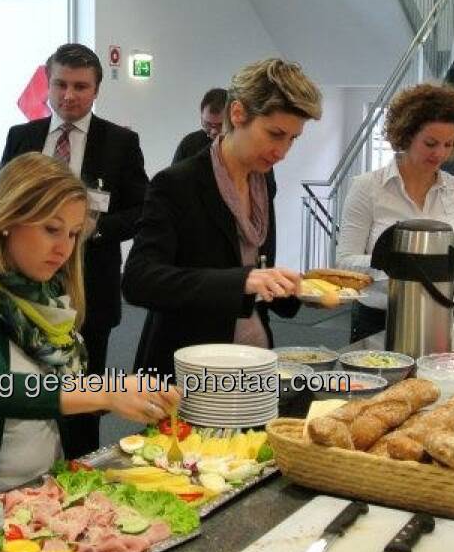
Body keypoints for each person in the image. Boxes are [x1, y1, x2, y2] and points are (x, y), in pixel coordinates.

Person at [0, 153, 180, 500]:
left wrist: (131, 392)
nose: (64, 248)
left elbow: (66, 392)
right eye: (51, 229)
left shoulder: (50, 298)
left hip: (45, 491)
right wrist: (106, 392)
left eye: (74, 234)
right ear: (8, 220)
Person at [124, 59, 322, 380]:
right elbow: (139, 280)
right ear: (238, 113)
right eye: (275, 134)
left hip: (252, 359)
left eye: (292, 139)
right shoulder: (177, 183)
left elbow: (253, 267)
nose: (282, 151)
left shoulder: (263, 180)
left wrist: (294, 290)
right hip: (187, 369)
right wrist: (242, 280)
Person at [0, 43, 148, 458]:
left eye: (80, 86)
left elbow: (142, 210)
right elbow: (2, 203)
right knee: (27, 387)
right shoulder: (22, 137)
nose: (69, 95)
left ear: (96, 90)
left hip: (90, 291)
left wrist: (93, 230)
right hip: (23, 292)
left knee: (85, 397)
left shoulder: (120, 142)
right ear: (47, 85)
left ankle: (83, 475)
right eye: (61, 84)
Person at [335, 82, 454, 343]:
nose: (439, 153)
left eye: (448, 144)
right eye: (430, 143)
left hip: (437, 314)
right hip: (377, 317)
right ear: (406, 136)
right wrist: (395, 263)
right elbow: (343, 262)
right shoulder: (368, 187)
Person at [171, 87, 227, 164]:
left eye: (220, 125)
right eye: (208, 124)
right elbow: (173, 175)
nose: (213, 131)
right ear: (201, 117)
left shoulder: (243, 145)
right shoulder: (189, 144)